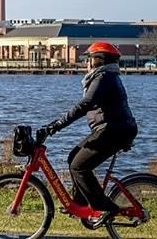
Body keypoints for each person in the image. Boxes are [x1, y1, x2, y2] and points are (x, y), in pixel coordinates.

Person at [42, 42, 138, 228]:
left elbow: (85, 105)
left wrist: (58, 124)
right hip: (113, 129)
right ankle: (81, 204)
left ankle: (104, 207)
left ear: (99, 60)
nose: (87, 62)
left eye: (90, 58)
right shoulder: (105, 76)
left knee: (79, 167)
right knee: (73, 158)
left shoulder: (104, 78)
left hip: (113, 131)